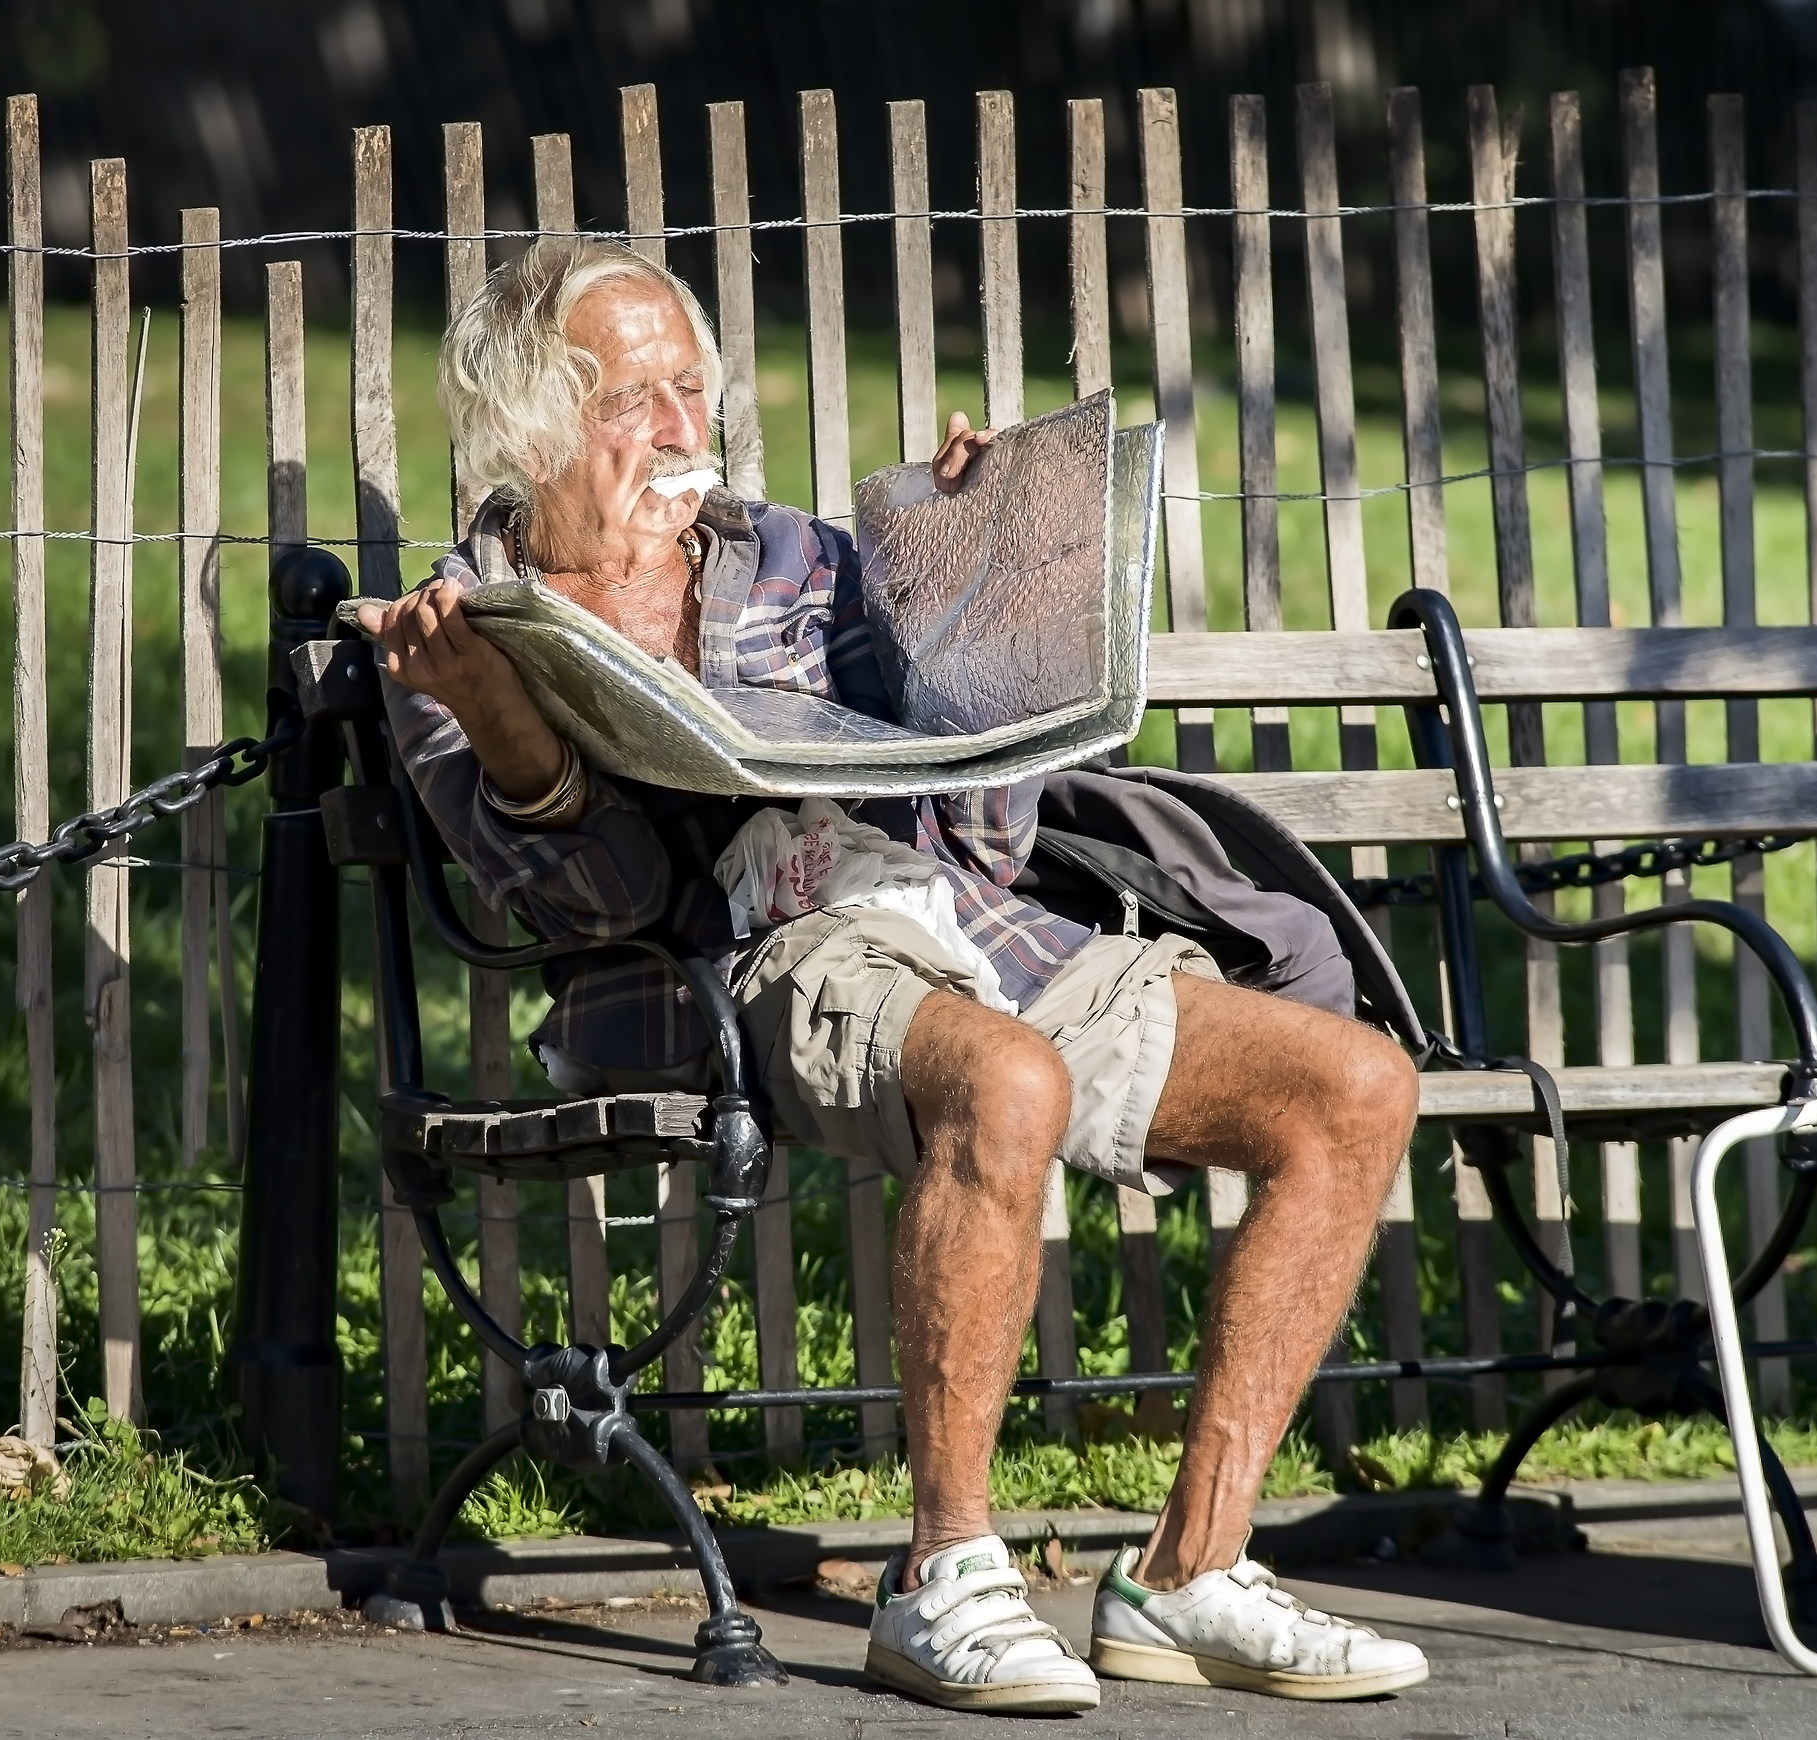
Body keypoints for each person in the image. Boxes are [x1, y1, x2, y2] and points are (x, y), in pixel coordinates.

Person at [358, 238, 1428, 1714]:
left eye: (692, 390)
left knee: (1358, 1089)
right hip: (753, 960)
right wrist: (505, 726)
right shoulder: (463, 625)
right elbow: (598, 909)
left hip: (970, 921)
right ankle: (943, 1575)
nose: (680, 430)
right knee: (1006, 1079)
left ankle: (1191, 1571)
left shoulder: (791, 554)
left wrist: (988, 567)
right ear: (531, 424)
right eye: (632, 402)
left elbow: (986, 815)